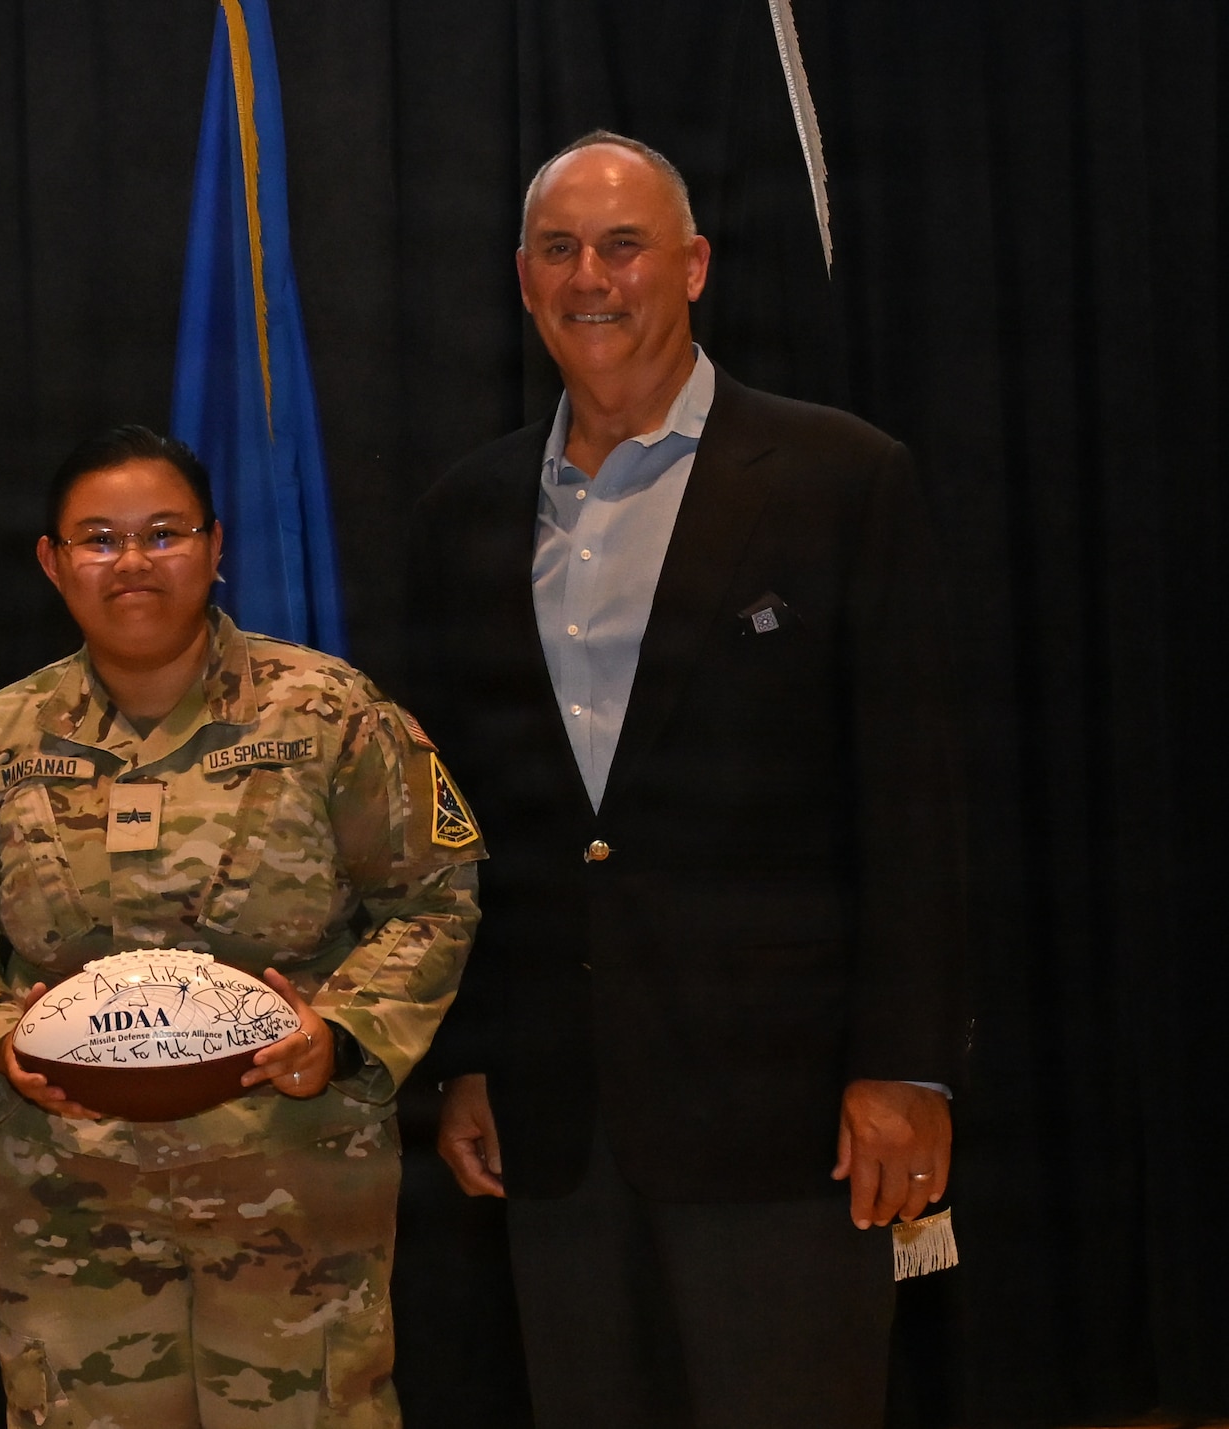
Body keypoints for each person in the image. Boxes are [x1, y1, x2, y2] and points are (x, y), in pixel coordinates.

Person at [408, 132, 966, 1429]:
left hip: (790, 1114)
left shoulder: (842, 481)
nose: (590, 276)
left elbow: (915, 798)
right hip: (557, 1120)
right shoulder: (463, 516)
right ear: (523, 277)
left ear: (696, 265)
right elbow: (456, 827)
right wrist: (474, 1055)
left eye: (624, 245)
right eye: (560, 250)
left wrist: (908, 1066)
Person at [0, 425, 483, 1428]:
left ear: (216, 546)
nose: (132, 562)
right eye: (99, 538)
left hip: (294, 1209)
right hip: (71, 1216)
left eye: (163, 533)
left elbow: (435, 894)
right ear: (52, 560)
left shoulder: (329, 713)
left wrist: (337, 1035)